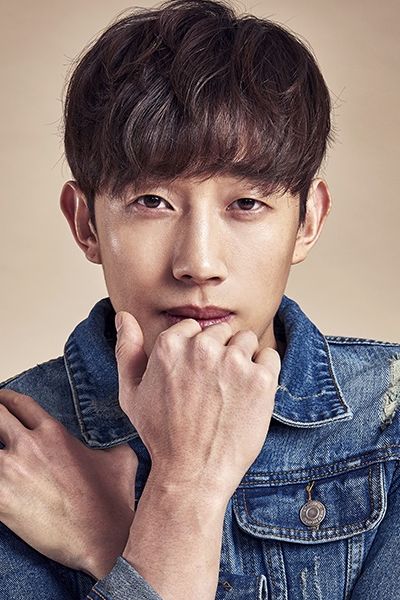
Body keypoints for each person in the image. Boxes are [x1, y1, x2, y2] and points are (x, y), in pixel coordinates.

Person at [0, 0, 399, 598]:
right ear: (85, 223)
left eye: (247, 204)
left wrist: (120, 538)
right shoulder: (15, 450)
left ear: (307, 221)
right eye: (152, 202)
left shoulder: (389, 420)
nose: (199, 264)